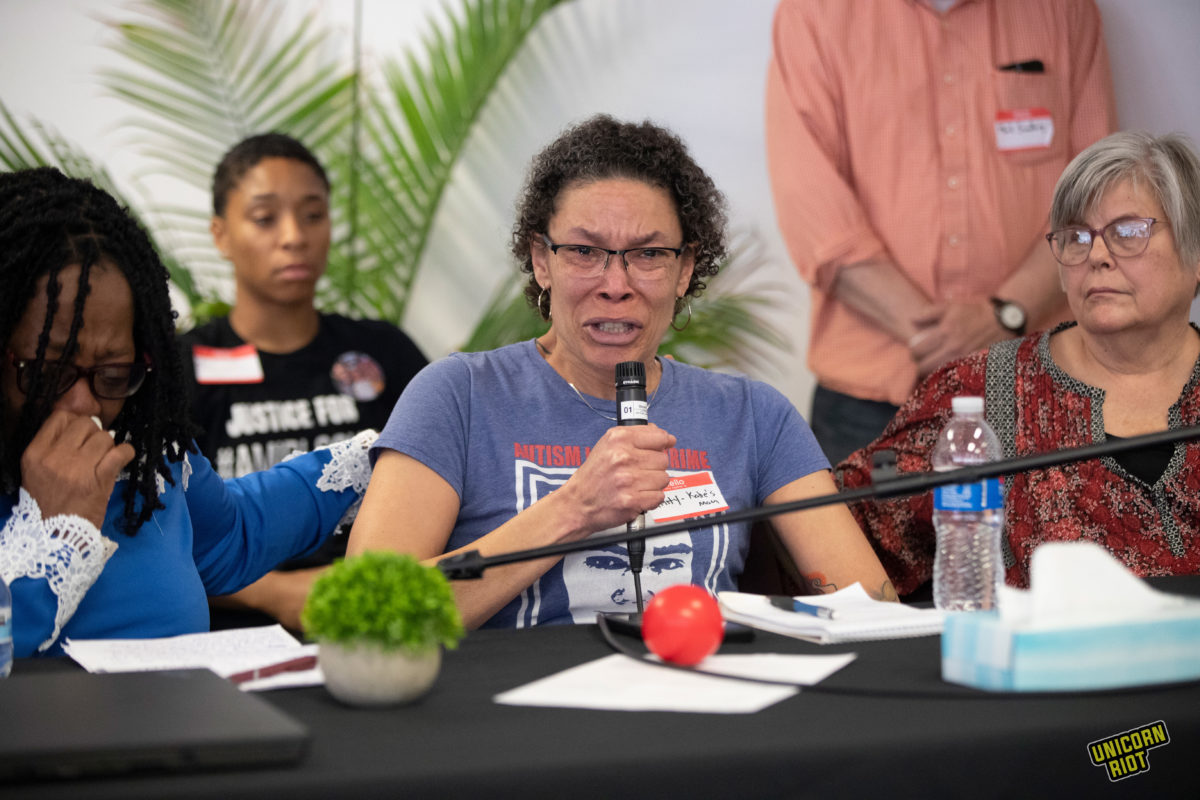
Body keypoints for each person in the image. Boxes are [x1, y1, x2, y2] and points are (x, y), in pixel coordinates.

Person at [349, 115, 894, 629]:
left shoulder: (751, 414)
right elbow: (367, 613)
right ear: (543, 261)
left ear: (684, 270)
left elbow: (871, 608)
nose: (615, 283)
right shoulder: (459, 396)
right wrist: (574, 510)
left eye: (649, 254)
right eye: (585, 251)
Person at [0, 167, 374, 657]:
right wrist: (56, 532)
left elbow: (236, 530)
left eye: (113, 374)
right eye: (48, 374)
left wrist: (381, 455)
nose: (84, 405)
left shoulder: (146, 457)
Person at [839, 131, 1200, 597]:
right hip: (1042, 666)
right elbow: (849, 519)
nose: (1097, 256)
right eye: (1076, 238)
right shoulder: (977, 391)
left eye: (1127, 233)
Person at [766, 0, 1116, 465]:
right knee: (852, 542)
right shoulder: (814, 14)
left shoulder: (1064, 10)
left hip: (1036, 384)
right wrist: (938, 337)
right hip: (868, 402)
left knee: (1049, 542)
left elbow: (1094, 197)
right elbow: (812, 207)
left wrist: (1004, 314)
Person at [179, 133, 427, 630]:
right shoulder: (179, 367)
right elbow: (154, 527)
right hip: (233, 640)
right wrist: (273, 593)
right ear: (221, 234)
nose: (294, 236)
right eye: (265, 218)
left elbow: (446, 482)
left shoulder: (386, 352)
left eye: (313, 214)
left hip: (377, 620)